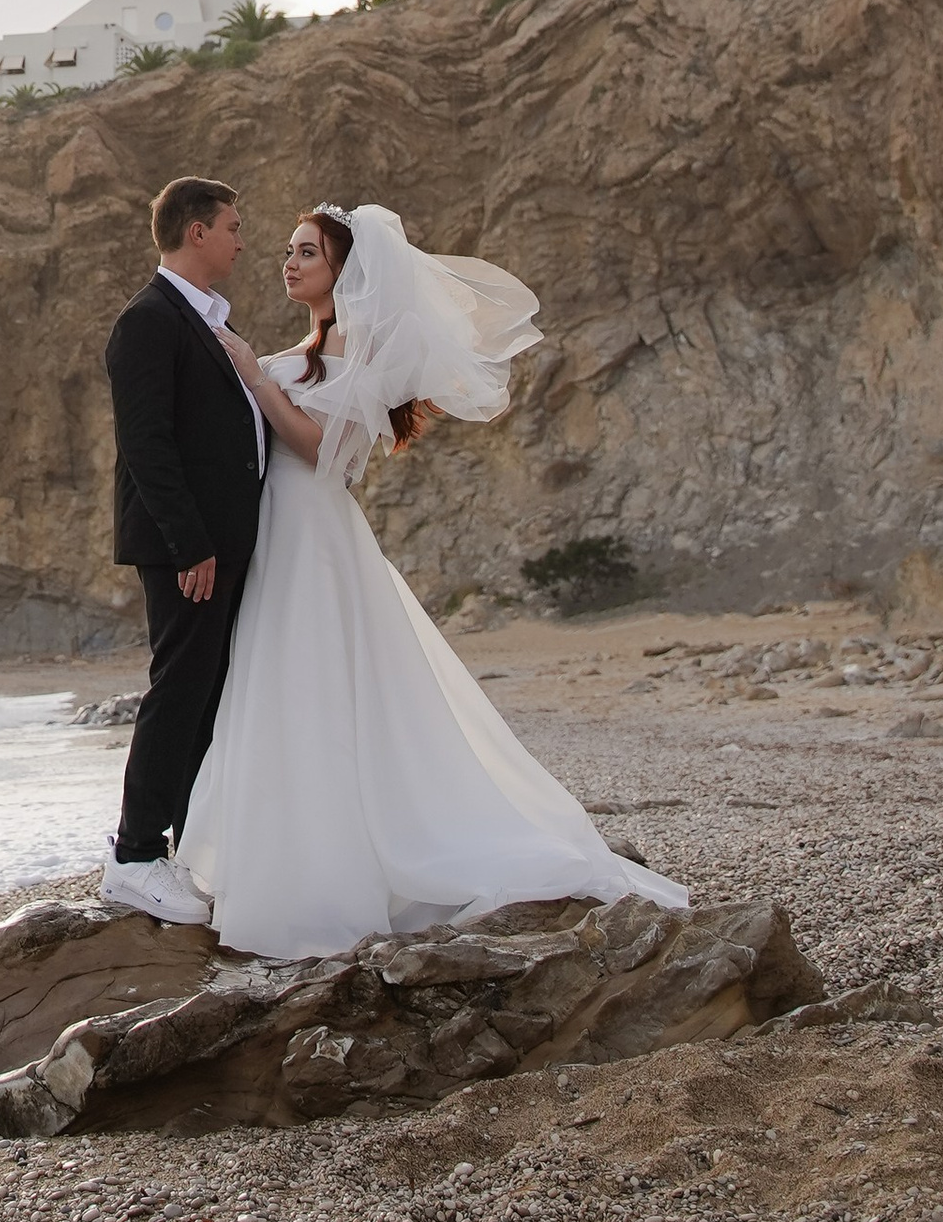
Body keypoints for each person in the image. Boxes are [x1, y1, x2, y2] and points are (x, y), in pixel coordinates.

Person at [173, 201, 689, 960]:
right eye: (287, 250)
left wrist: (254, 375)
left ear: (345, 270)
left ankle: (335, 871)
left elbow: (323, 450)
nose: (289, 263)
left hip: (314, 534)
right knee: (279, 686)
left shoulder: (362, 350)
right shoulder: (309, 347)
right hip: (275, 531)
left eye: (307, 252)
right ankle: (276, 856)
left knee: (316, 688)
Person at [97, 173, 270, 924]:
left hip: (216, 542)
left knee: (204, 690)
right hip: (185, 547)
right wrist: (190, 543)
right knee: (178, 689)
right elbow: (146, 444)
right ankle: (134, 856)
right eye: (233, 227)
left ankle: (186, 845)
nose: (241, 241)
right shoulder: (148, 319)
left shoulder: (204, 319)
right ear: (196, 231)